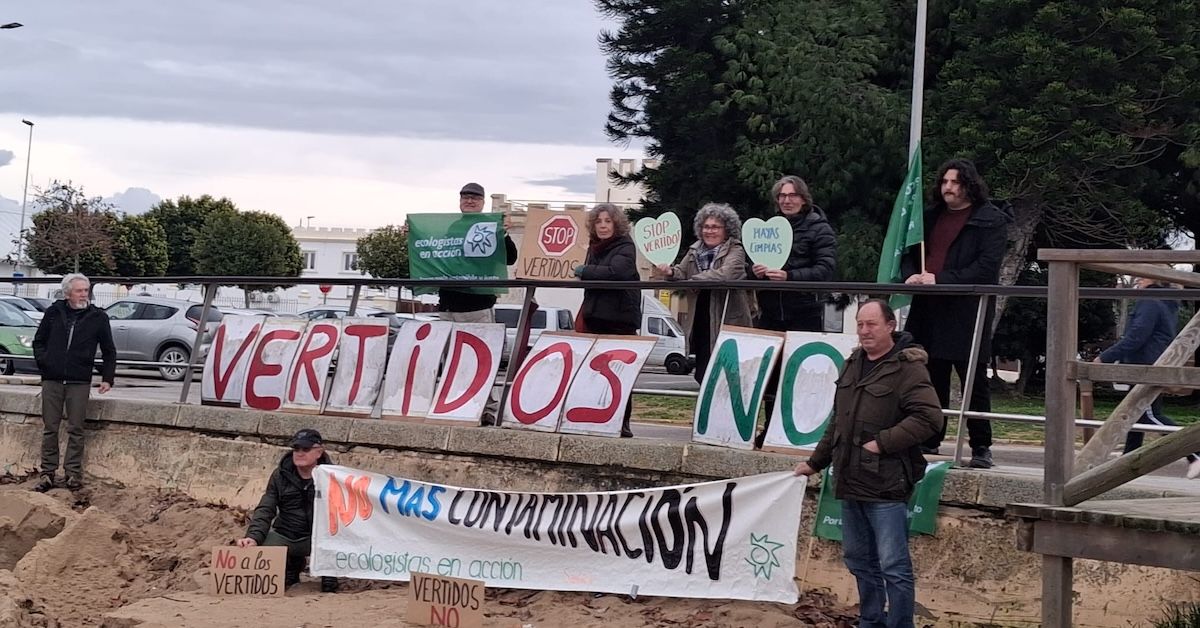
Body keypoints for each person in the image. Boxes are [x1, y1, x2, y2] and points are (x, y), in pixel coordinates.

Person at [794, 299, 943, 628]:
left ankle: (900, 624)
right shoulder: (852, 364)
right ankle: (871, 620)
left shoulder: (908, 368)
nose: (864, 331)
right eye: (860, 324)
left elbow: (930, 418)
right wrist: (815, 463)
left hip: (886, 485)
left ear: (890, 326)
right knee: (859, 561)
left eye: (871, 324)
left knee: (894, 566)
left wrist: (884, 442)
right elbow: (838, 423)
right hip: (850, 482)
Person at [901, 159, 1010, 468]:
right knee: (929, 374)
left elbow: (987, 268)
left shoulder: (991, 220)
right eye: (944, 181)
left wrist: (941, 279)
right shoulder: (929, 217)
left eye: (954, 182)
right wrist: (912, 274)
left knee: (973, 377)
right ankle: (930, 437)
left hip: (966, 309)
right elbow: (910, 254)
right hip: (929, 308)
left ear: (969, 185)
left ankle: (980, 446)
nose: (947, 187)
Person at [749, 175, 837, 447]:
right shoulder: (767, 231)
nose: (787, 200)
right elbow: (748, 271)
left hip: (804, 312)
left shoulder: (819, 229)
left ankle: (802, 433)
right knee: (771, 376)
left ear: (803, 198)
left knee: (802, 375)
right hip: (771, 312)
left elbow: (826, 269)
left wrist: (790, 275)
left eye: (792, 195)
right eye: (782, 196)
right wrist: (754, 272)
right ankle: (769, 430)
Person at [1094, 276, 1200, 479]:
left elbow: (1136, 336)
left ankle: (1194, 452)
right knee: (1137, 416)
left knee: (1148, 416)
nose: (1137, 281)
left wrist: (1105, 357)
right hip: (1154, 362)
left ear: (1154, 279)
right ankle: (1127, 460)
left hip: (1144, 366)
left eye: (1141, 278)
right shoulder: (1166, 303)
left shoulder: (1150, 301)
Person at [31, 274, 116, 492]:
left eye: (86, 290)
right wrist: (45, 363)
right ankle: (48, 473)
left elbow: (109, 350)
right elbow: (39, 341)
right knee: (50, 427)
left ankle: (72, 474)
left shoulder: (98, 317)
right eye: (79, 291)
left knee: (76, 428)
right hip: (53, 378)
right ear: (68, 293)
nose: (83, 294)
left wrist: (107, 378)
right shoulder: (53, 313)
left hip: (79, 380)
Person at [655, 202, 755, 383]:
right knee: (702, 373)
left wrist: (692, 281)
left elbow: (726, 274)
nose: (710, 231)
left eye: (716, 227)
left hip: (727, 319)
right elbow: (681, 272)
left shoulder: (736, 249)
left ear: (727, 230)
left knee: (727, 375)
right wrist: (670, 272)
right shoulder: (694, 250)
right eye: (706, 227)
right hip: (700, 319)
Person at [236, 428, 338, 592]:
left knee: (337, 538)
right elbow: (266, 508)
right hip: (286, 534)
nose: (299, 453)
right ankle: (292, 565)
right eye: (296, 449)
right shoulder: (279, 476)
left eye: (305, 449)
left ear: (319, 452)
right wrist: (253, 537)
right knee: (259, 545)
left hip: (319, 537)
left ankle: (329, 575)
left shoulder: (333, 477)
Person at [574, 203, 641, 437]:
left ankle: (622, 422)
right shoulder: (594, 248)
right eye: (598, 221)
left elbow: (616, 273)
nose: (602, 226)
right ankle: (595, 418)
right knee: (594, 374)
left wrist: (584, 271)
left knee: (620, 374)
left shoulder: (626, 246)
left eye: (607, 221)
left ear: (617, 224)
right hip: (595, 317)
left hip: (618, 320)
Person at [437, 182, 519, 323]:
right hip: (447, 306)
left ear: (483, 202)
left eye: (475, 198)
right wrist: (414, 235)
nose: (469, 201)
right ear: (460, 201)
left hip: (477, 306)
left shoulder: (490, 226)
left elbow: (510, 258)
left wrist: (503, 234)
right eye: (465, 197)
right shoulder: (453, 227)